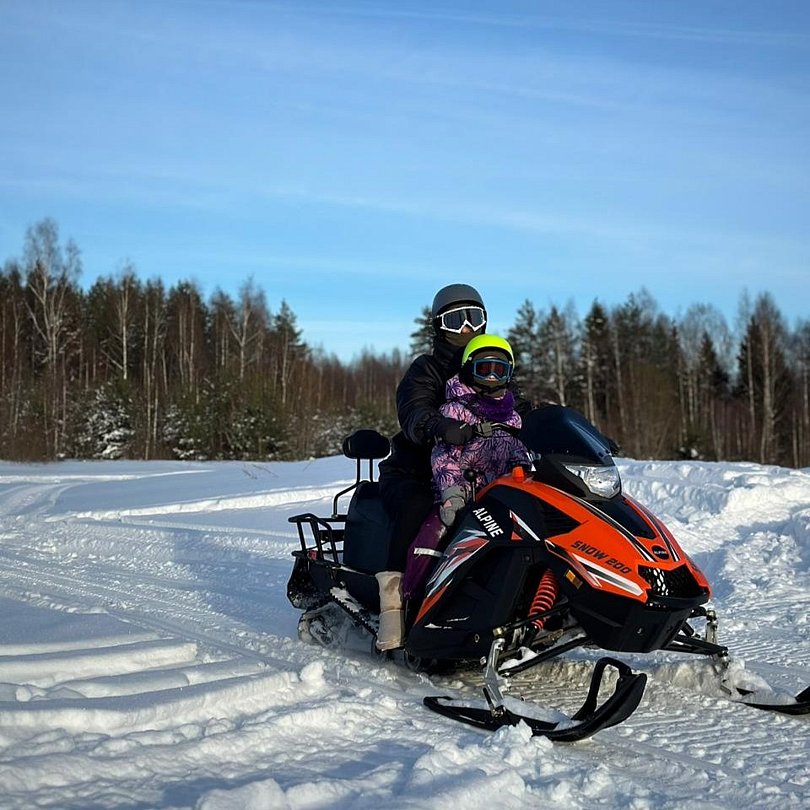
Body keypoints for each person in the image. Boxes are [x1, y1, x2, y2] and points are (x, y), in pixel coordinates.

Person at [376, 284, 531, 650]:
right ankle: (393, 606)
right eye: (456, 319)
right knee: (418, 508)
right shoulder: (426, 370)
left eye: (473, 318)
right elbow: (413, 412)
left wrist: (569, 433)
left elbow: (525, 414)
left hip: (481, 475)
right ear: (438, 326)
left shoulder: (492, 368)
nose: (465, 328)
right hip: (418, 471)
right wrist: (438, 426)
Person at [431, 334, 531, 528]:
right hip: (462, 495)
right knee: (437, 530)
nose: (492, 376)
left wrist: (524, 477)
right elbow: (443, 456)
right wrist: (453, 494)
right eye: (484, 369)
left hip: (501, 498)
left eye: (499, 370)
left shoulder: (513, 417)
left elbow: (519, 453)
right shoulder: (455, 411)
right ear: (469, 369)